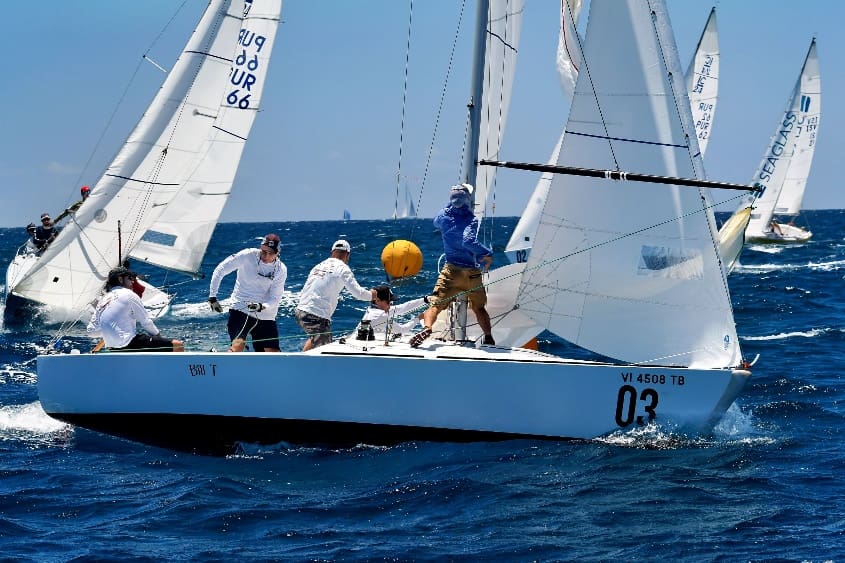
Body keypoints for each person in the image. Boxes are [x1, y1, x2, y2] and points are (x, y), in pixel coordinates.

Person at [411, 183, 495, 348]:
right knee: (479, 308)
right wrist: (487, 253)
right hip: (471, 273)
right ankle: (488, 336)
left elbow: (436, 222)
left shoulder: (442, 216)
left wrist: (450, 205)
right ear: (467, 200)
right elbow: (469, 241)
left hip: (451, 270)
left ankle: (427, 328)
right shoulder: (471, 219)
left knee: (435, 304)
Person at [208, 233, 287, 352]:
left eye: (270, 253)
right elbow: (220, 269)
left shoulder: (281, 269)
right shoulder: (247, 255)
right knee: (238, 345)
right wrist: (213, 297)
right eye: (263, 251)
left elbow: (275, 298)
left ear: (277, 253)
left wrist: (262, 306)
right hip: (241, 309)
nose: (265, 255)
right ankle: (218, 361)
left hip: (266, 315)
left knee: (273, 354)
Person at [295, 239, 377, 351]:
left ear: (332, 252)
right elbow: (359, 294)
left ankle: (302, 360)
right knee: (324, 349)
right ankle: (305, 365)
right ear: (347, 255)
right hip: (316, 315)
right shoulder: (343, 269)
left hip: (300, 311)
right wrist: (373, 295)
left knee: (316, 338)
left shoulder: (318, 265)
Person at [87, 266, 183, 352]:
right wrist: (158, 337)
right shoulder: (129, 294)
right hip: (128, 344)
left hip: (111, 347)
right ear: (120, 279)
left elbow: (91, 332)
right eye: (130, 278)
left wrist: (111, 331)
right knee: (177, 345)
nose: (133, 281)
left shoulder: (103, 300)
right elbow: (146, 322)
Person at [357, 285, 426, 340]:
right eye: (389, 301)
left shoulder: (372, 310)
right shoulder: (380, 315)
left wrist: (425, 300)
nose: (391, 304)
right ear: (377, 301)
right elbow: (402, 330)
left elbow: (403, 307)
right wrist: (419, 318)